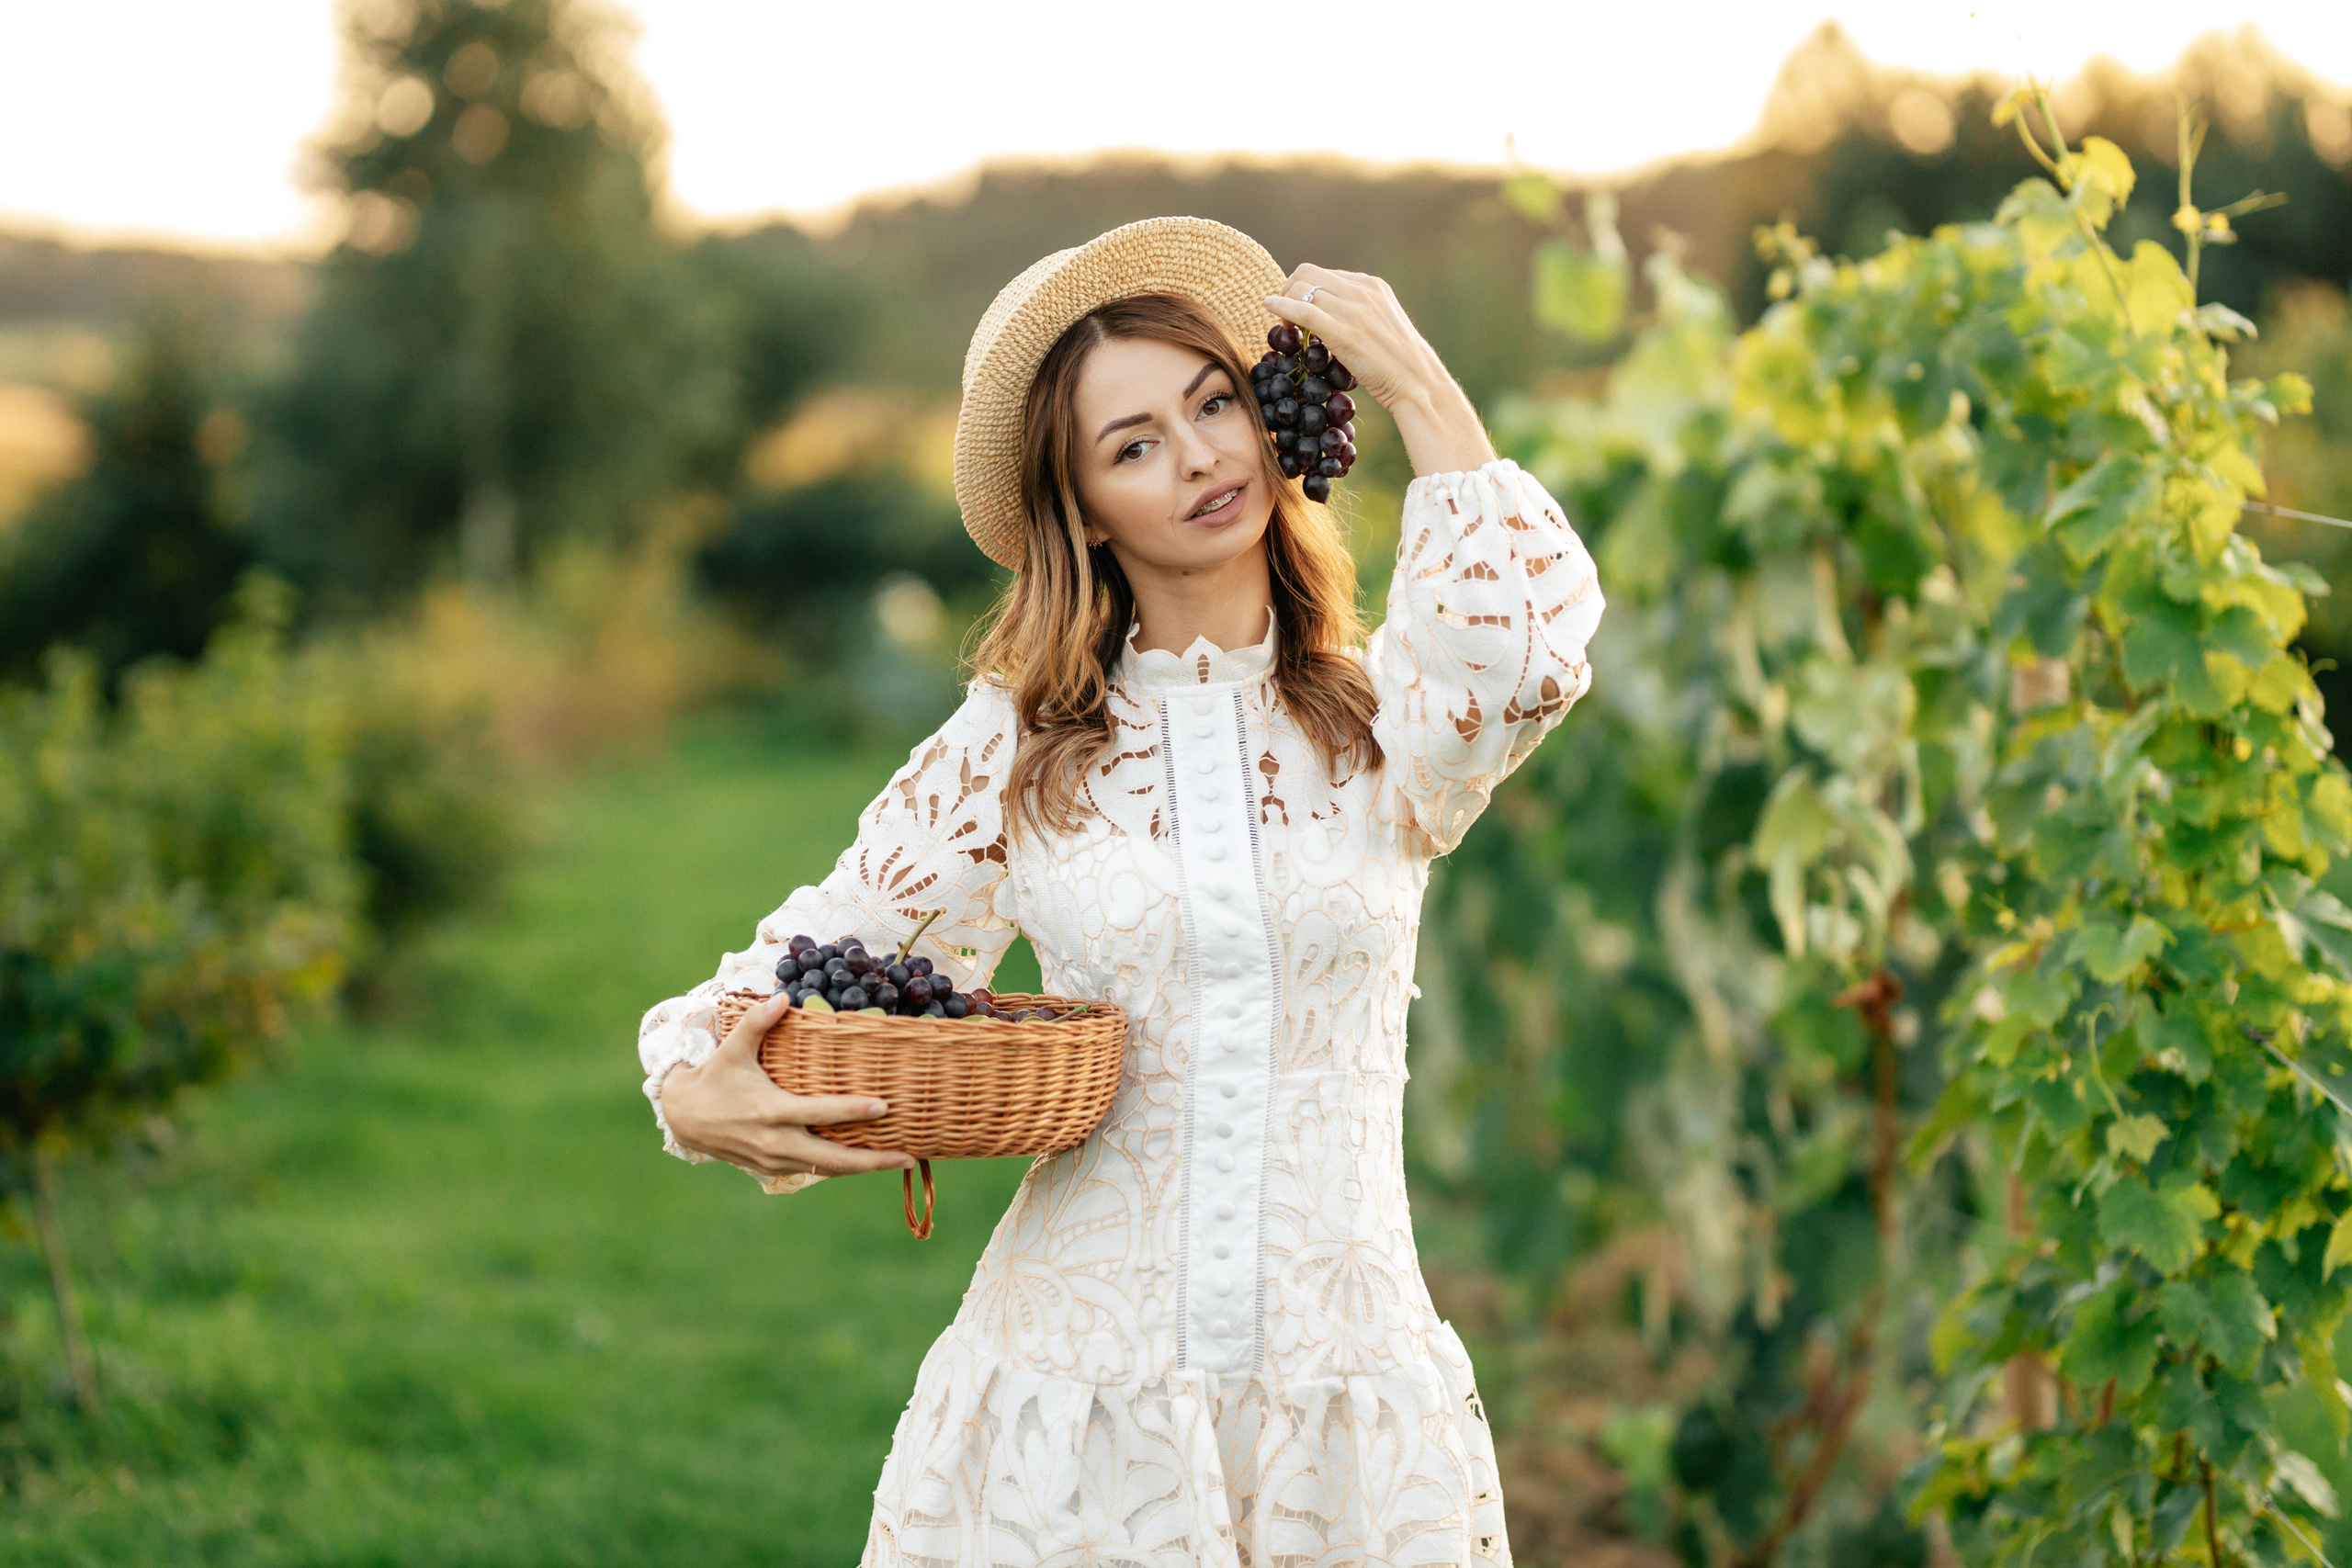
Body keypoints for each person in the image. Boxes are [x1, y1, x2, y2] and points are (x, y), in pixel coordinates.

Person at [639, 216, 1603, 1567]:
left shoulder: (1388, 719)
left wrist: (1419, 388)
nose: (1201, 456)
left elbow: (1529, 662)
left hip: (1350, 1400)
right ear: (1084, 508)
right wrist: (692, 1082)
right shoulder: (1016, 748)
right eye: (1134, 444)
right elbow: (817, 957)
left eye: (1215, 404)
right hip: (1075, 1410)